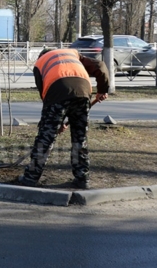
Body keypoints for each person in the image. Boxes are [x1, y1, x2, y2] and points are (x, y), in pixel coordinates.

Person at [18, 48, 110, 189]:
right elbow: (101, 66)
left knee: (46, 137)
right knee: (80, 137)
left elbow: (46, 97)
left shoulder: (40, 63)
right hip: (83, 92)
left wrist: (54, 123)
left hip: (57, 92)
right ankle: (82, 178)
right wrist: (102, 89)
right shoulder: (73, 54)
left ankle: (30, 178)